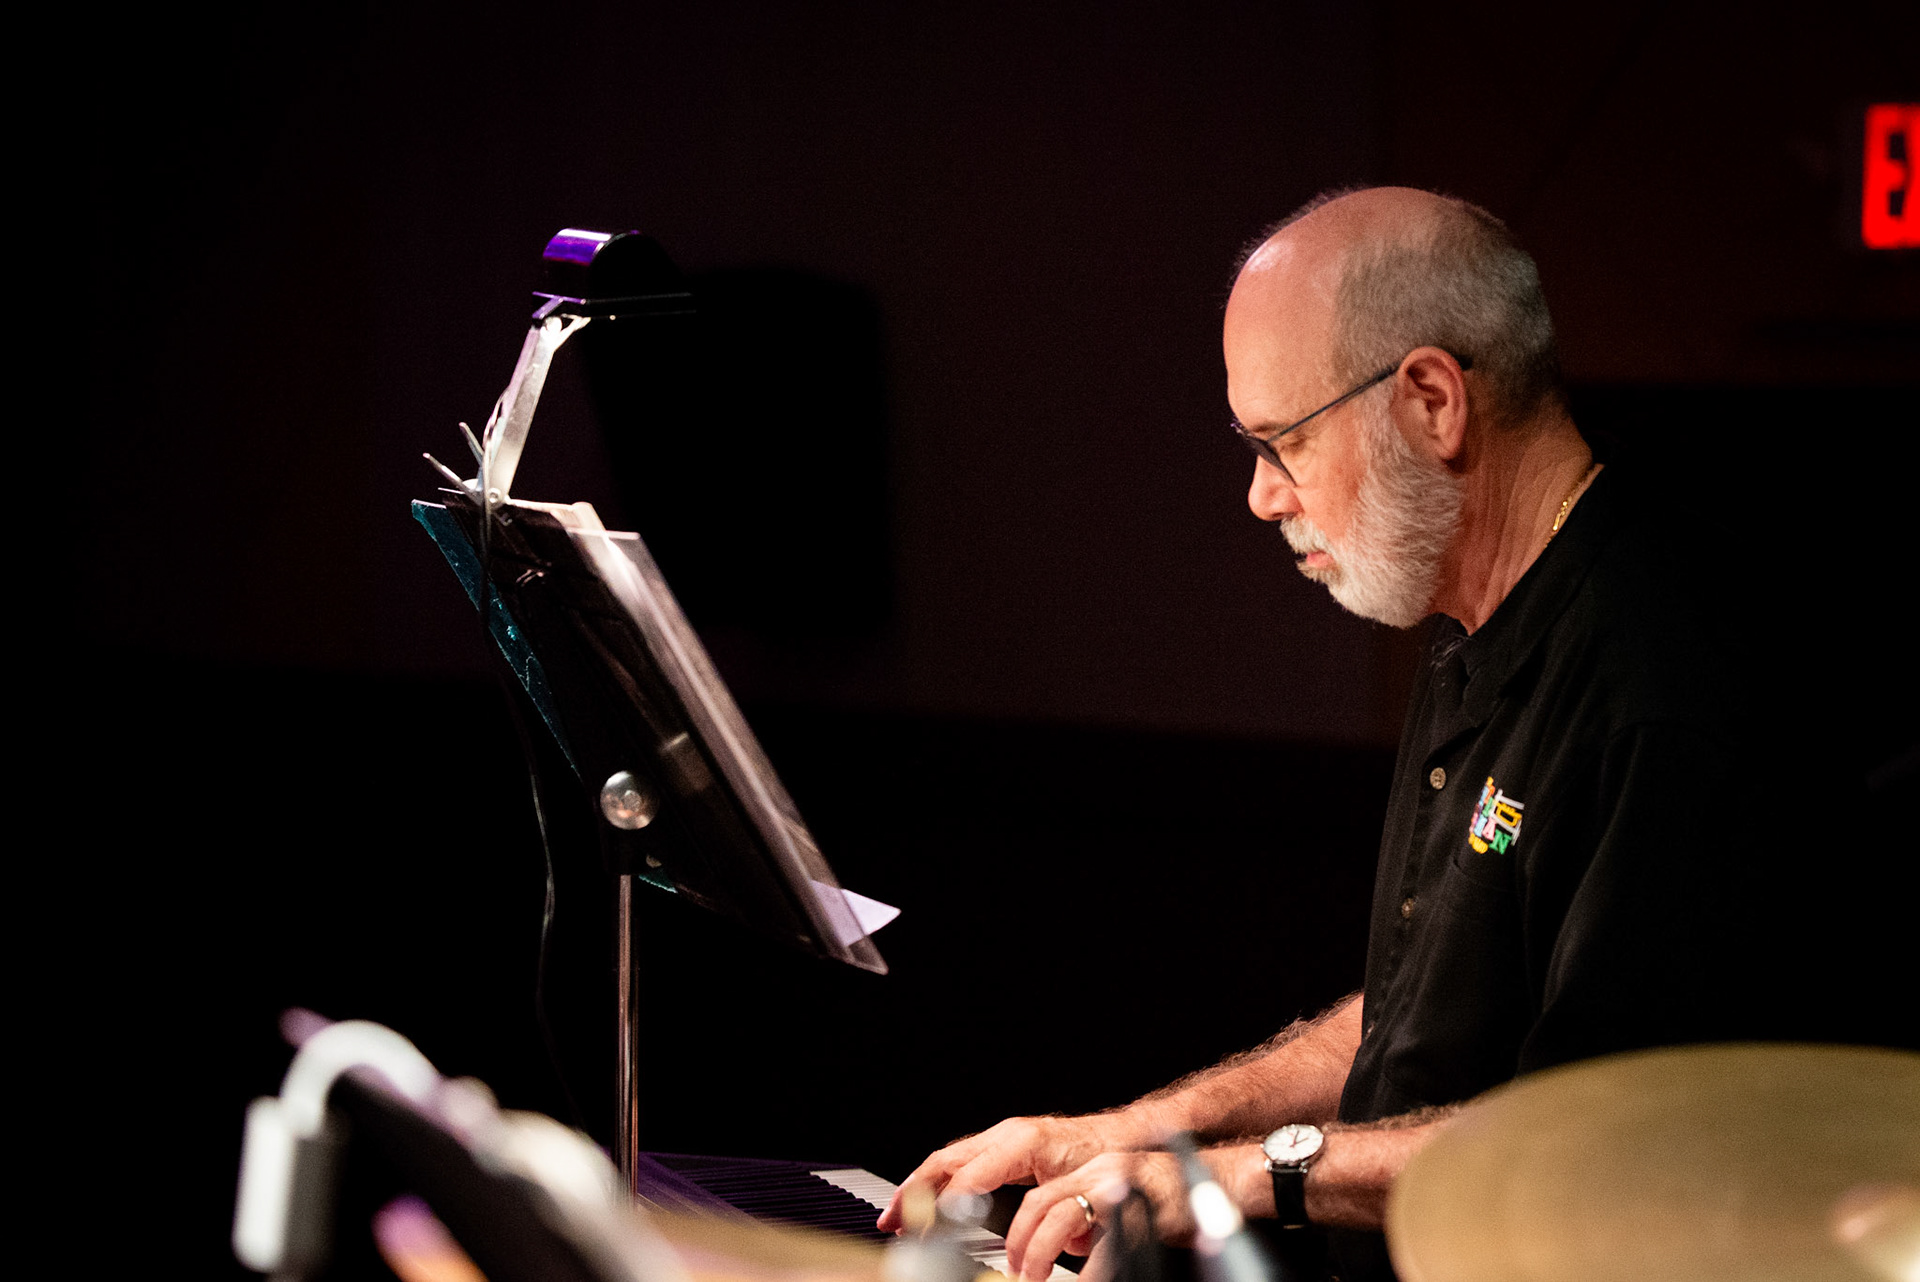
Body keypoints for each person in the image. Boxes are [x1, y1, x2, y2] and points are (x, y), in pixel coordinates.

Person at [875, 186, 1800, 1282]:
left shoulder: (1666, 683)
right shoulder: (1474, 619)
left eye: (1285, 440)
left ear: (1431, 403)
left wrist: (1238, 1174)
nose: (1263, 497)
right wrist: (1136, 1133)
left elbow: (1602, 1141)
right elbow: (1422, 1011)